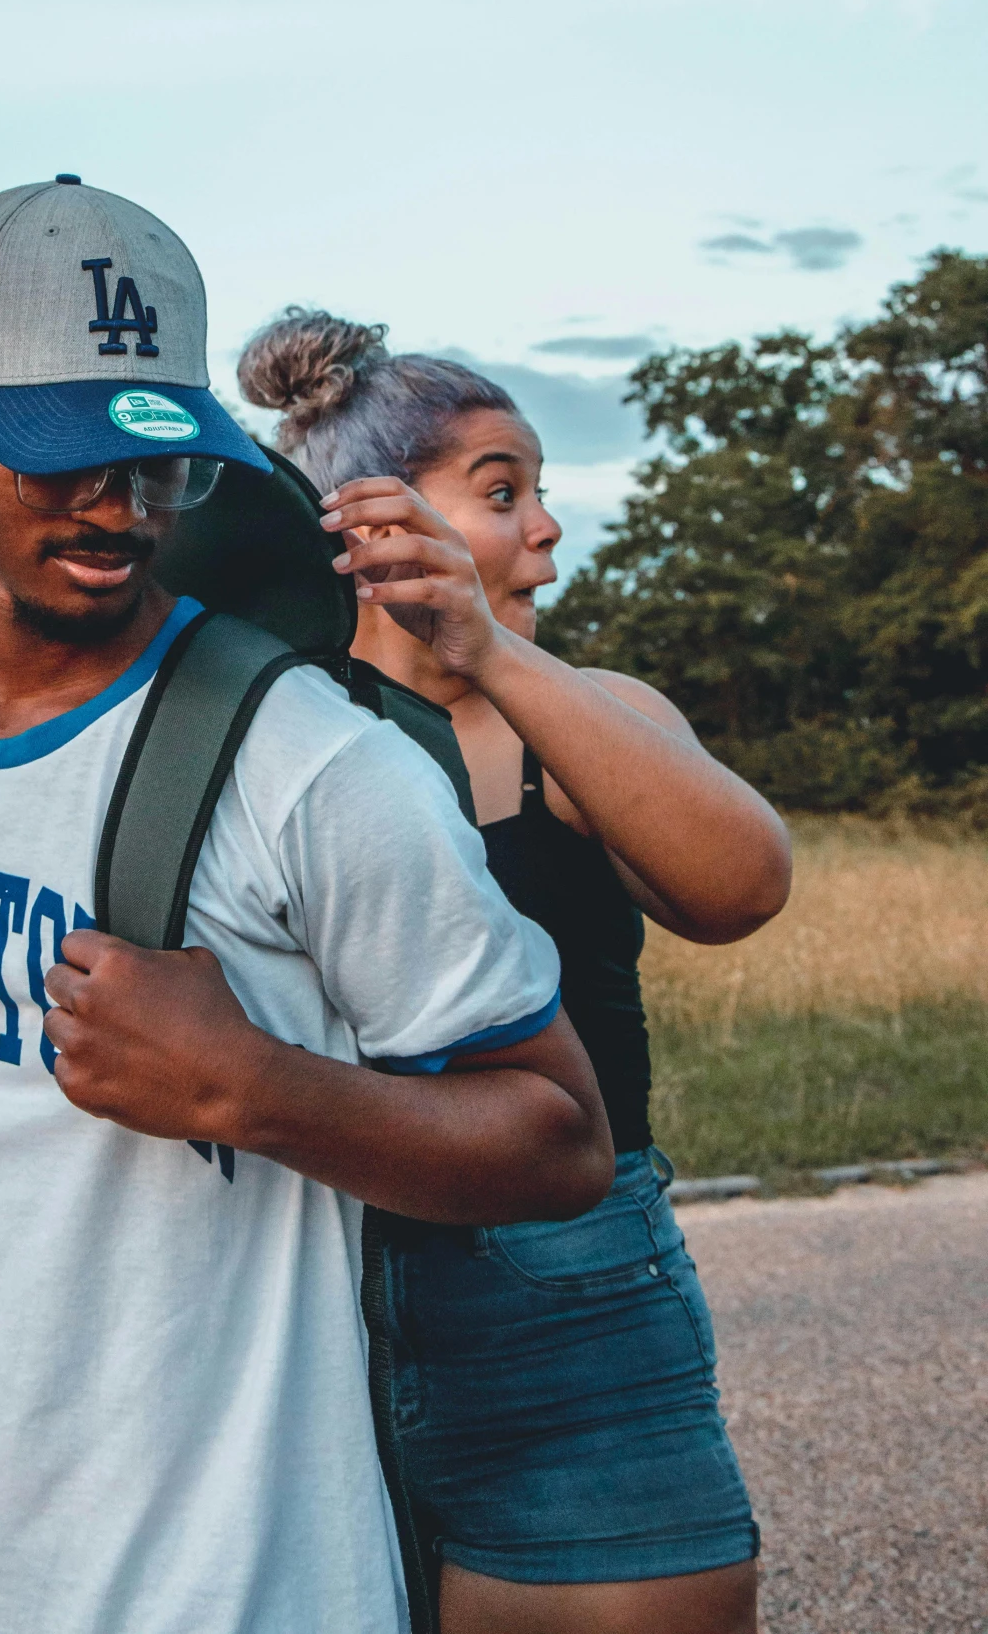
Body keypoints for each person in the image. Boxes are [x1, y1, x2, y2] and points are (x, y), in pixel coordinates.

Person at [0, 179, 614, 1634]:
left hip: (239, 1581)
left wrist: (255, 1087)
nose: (117, 505)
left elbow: (562, 1139)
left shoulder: (310, 759)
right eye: (59, 454)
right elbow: (0, 1133)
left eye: (151, 459)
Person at [238, 309, 793, 1634]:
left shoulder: (591, 710)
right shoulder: (281, 732)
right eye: (502, 491)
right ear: (364, 521)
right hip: (307, 1287)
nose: (546, 525)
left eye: (536, 490)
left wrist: (487, 648)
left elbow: (742, 885)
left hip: (570, 1287)